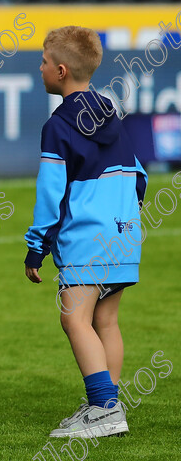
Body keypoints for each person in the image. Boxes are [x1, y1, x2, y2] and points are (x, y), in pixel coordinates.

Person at [23, 26, 147, 439]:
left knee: (74, 318)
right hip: (125, 233)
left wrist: (36, 247)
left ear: (60, 71)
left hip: (87, 239)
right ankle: (108, 406)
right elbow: (139, 175)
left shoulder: (57, 125)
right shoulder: (110, 111)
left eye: (42, 61)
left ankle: (104, 408)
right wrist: (126, 216)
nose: (39, 67)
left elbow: (51, 192)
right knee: (106, 321)